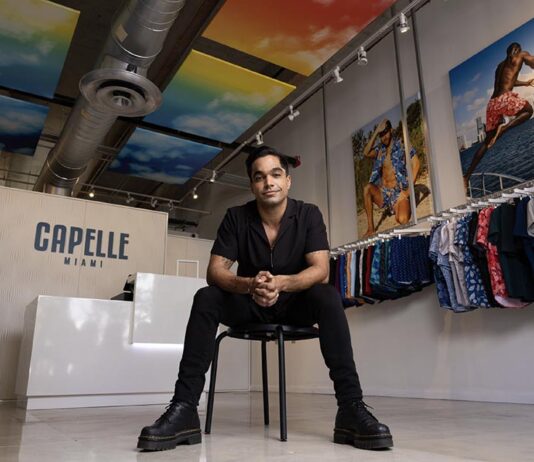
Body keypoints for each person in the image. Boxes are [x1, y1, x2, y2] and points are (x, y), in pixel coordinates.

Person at [137, 146, 393, 452]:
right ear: (252, 185)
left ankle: (351, 408)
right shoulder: (236, 217)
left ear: (287, 181)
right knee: (206, 297)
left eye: (275, 174)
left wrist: (282, 283)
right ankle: (184, 409)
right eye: (259, 177)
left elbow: (321, 270)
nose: (268, 182)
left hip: (295, 305)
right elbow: (215, 271)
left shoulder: (308, 214)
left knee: (327, 295)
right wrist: (250, 285)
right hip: (249, 304)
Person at [463, 42, 534, 188]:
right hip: (503, 100)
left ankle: (466, 176)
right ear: (517, 50)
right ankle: (504, 128)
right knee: (528, 110)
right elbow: (531, 61)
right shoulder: (521, 55)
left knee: (487, 142)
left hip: (492, 104)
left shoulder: (500, 66)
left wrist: (526, 83)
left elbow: (509, 81)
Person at [362, 119, 419, 237]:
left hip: (398, 194)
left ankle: (398, 207)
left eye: (385, 132)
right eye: (381, 135)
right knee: (367, 188)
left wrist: (407, 192)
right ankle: (371, 229)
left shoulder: (402, 143)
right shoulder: (379, 150)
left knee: (402, 219)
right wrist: (376, 132)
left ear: (391, 130)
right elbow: (366, 153)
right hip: (384, 194)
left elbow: (416, 164)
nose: (384, 137)